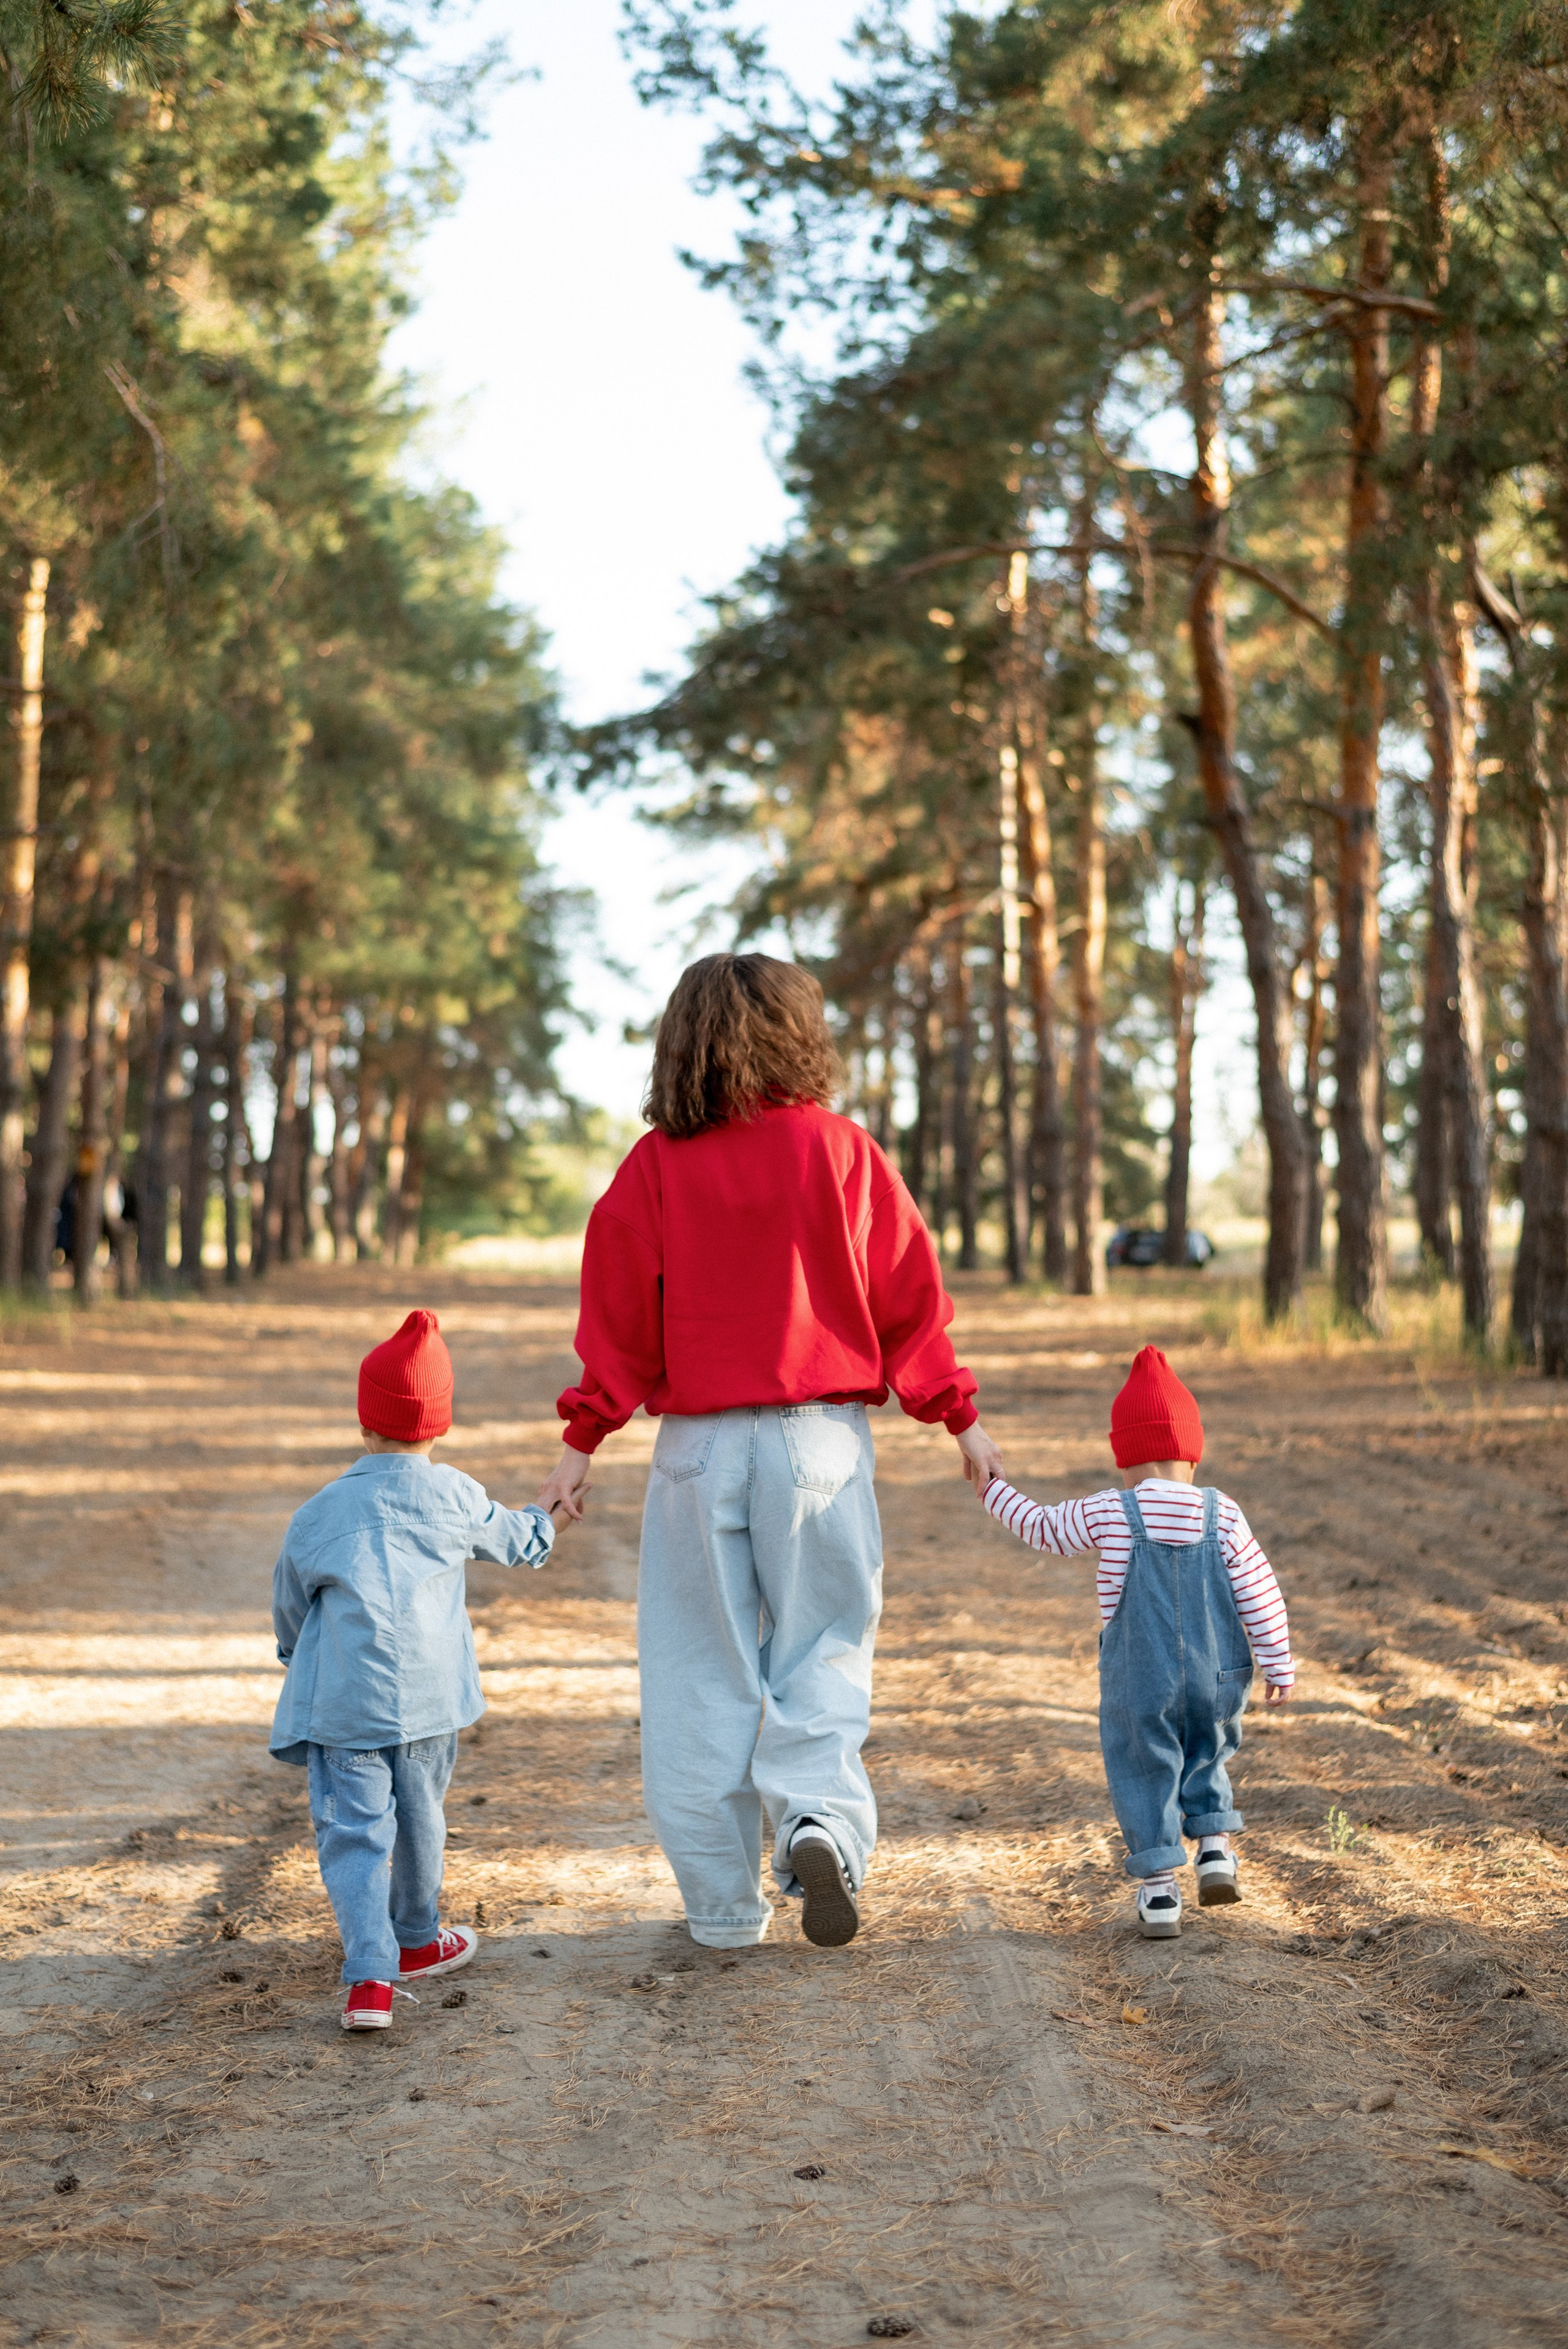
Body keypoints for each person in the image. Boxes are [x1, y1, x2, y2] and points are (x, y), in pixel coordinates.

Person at [536, 953, 1002, 1951]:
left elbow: (619, 1319)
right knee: (823, 1649)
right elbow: (908, 1299)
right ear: (802, 1036)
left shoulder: (655, 1165)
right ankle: (819, 1824)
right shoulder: (845, 1153)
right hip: (821, 1442)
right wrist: (958, 1418)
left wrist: (583, 1441)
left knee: (698, 1670)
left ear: (683, 1043)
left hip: (698, 1448)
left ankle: (722, 1909)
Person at [271, 1310, 572, 2030]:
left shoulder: (319, 1514)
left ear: (364, 1420)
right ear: (438, 1424)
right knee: (421, 1819)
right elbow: (522, 1542)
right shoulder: (456, 1494)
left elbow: (289, 1607)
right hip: (432, 1705)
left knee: (354, 1834)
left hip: (347, 1706)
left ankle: (369, 1981)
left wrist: (294, 1658)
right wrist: (552, 1515)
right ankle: (416, 1937)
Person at [977, 1345, 1292, 1939]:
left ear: (1126, 1457)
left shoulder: (1110, 1511)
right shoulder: (1222, 1513)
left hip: (1138, 1676)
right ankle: (1216, 1849)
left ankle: (1159, 1892)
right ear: (1190, 1456)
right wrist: (1276, 1659)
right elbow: (1258, 1588)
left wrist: (994, 1490)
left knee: (1143, 1766)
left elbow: (1043, 1528)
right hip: (1216, 1671)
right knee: (1210, 1748)